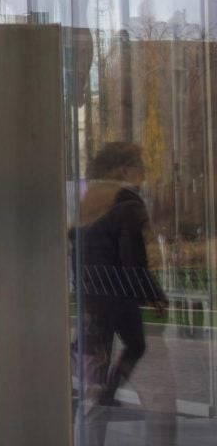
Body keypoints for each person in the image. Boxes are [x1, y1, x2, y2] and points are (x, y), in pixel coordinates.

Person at [76, 141, 169, 443]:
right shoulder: (127, 202)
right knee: (130, 351)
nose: (144, 172)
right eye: (139, 166)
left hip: (95, 294)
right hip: (117, 294)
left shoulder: (91, 199)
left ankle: (105, 393)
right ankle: (106, 395)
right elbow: (133, 256)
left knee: (113, 359)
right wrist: (152, 292)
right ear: (125, 169)